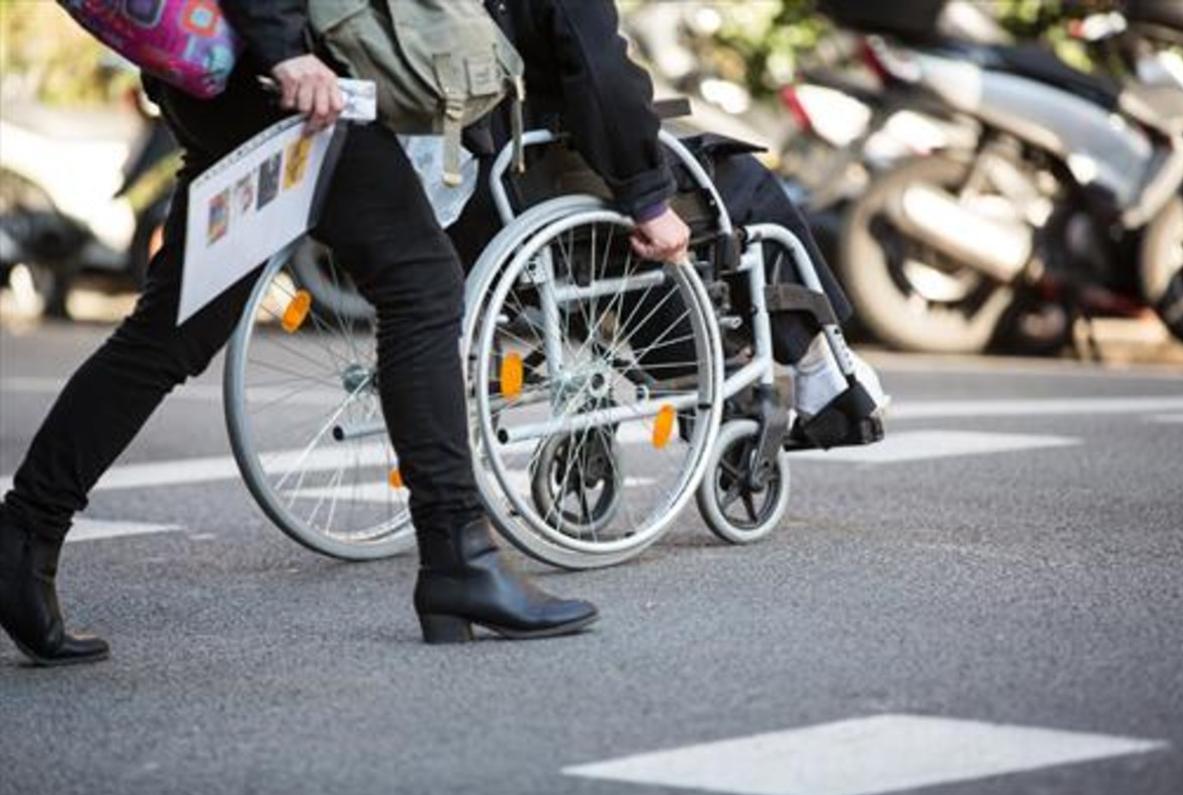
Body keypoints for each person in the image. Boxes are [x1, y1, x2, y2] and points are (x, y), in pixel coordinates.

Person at [0, 0, 712, 666]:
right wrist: (284, 48)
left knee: (172, 331)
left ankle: (23, 536)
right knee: (421, 284)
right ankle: (459, 559)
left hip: (228, 79)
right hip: (290, 77)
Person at [450, 0, 887, 450]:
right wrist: (648, 200)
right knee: (735, 183)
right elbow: (603, 82)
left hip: (445, 199)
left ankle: (706, 371)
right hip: (520, 188)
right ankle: (820, 370)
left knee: (630, 209)